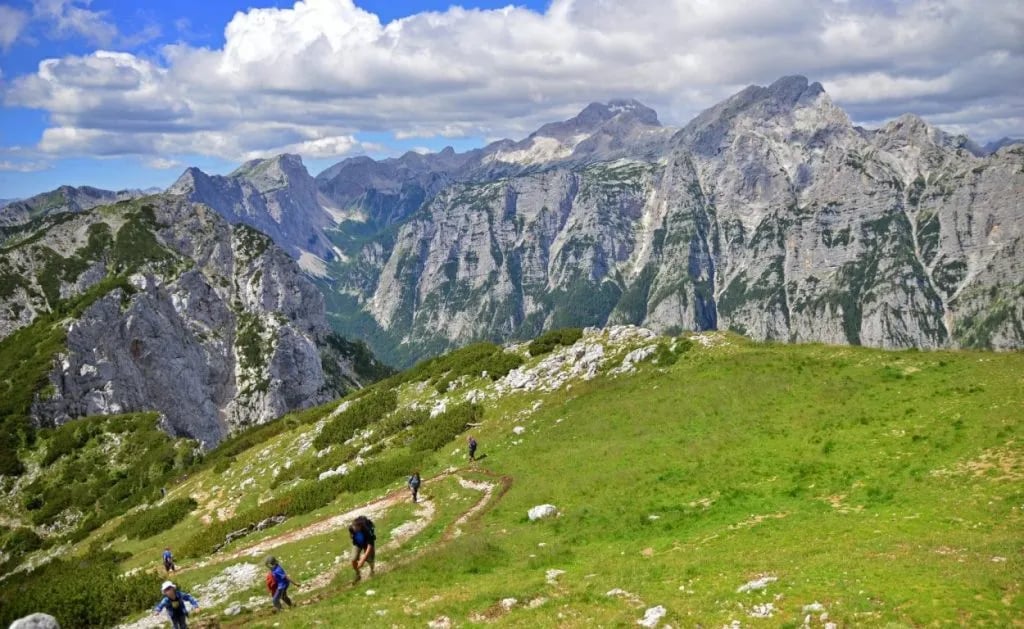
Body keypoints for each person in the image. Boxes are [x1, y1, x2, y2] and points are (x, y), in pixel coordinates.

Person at [349, 516, 376, 582]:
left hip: (368, 544)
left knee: (370, 559)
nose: (354, 528)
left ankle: (372, 571)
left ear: (360, 527)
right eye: (353, 526)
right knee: (353, 559)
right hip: (358, 543)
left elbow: (370, 545)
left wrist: (363, 559)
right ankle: (358, 574)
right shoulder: (351, 528)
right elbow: (351, 536)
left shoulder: (367, 531)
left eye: (356, 527)